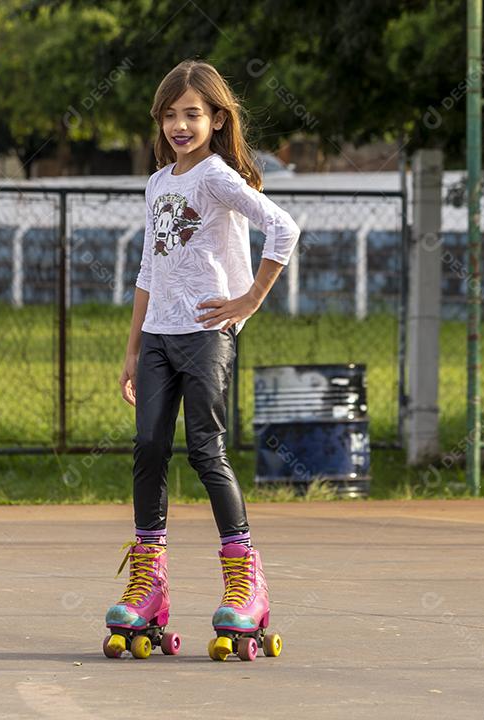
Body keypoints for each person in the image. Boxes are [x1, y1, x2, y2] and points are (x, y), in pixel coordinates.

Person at [102, 59, 299, 662]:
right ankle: (149, 584)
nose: (180, 125)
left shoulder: (217, 178)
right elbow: (146, 268)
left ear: (217, 119)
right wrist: (133, 347)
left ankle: (246, 581)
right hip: (158, 335)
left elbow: (283, 228)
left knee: (205, 449)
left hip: (205, 334)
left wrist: (246, 301)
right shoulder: (159, 183)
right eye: (170, 115)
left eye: (193, 114)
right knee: (149, 448)